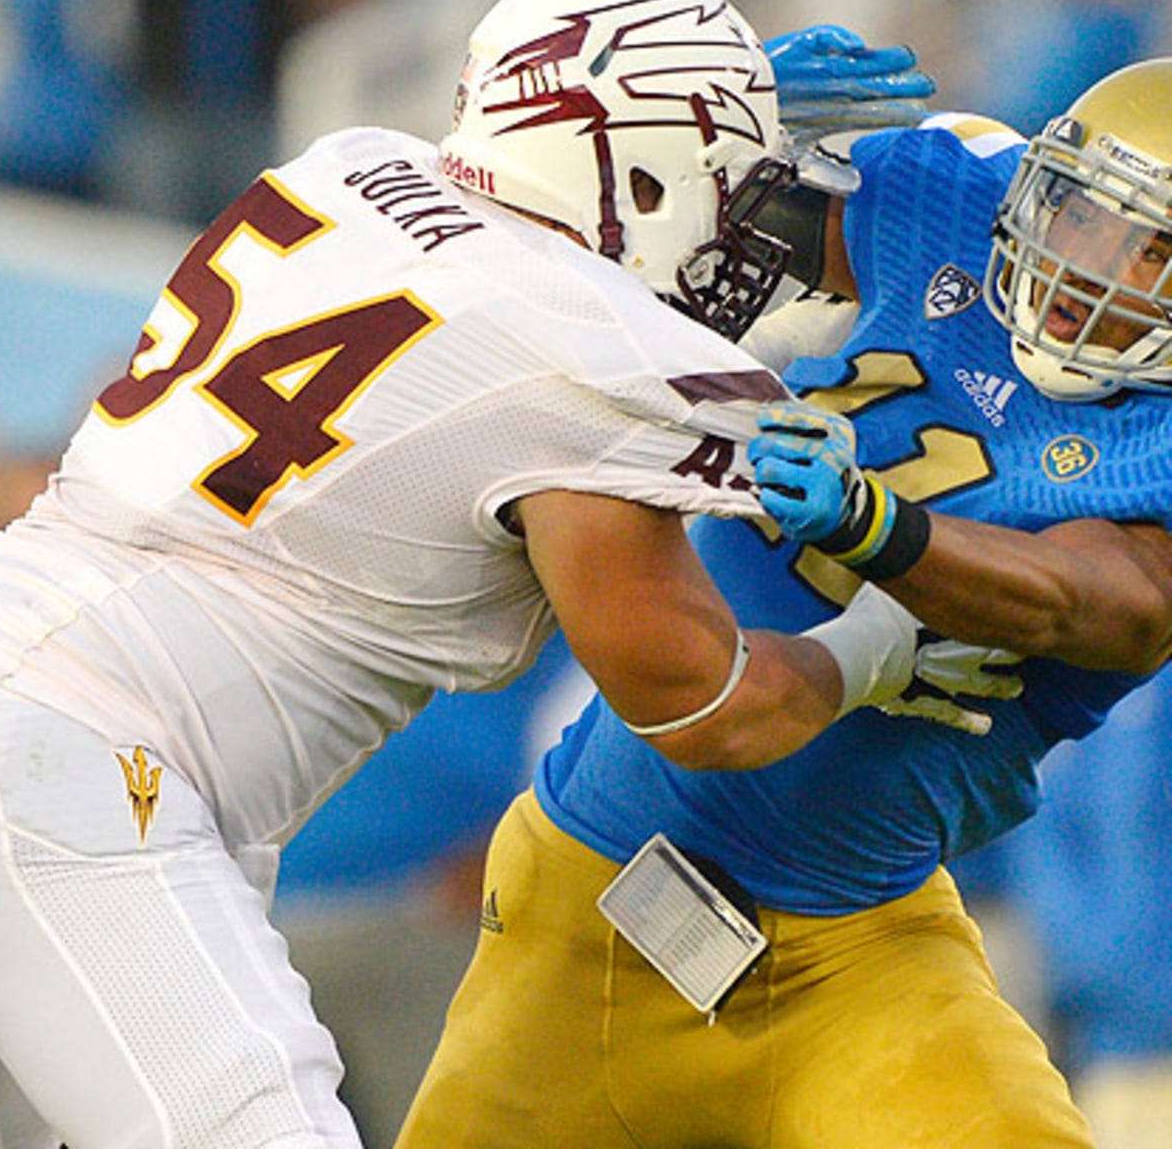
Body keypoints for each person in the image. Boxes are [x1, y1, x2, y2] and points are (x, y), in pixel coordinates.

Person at [0, 0, 951, 1148]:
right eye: (722, 179)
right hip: (76, 762)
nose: (740, 216)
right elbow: (706, 707)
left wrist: (692, 108)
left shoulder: (351, 167)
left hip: (35, 676)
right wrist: (876, 647)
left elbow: (527, 170)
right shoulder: (593, 356)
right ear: (630, 173)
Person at [393, 57, 1172, 1148]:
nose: (1095, 267)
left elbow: (1085, 602)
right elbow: (590, 220)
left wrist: (871, 525)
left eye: (1153, 254)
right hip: (598, 884)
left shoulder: (1153, 461)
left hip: (858, 944)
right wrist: (717, 114)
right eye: (1086, 219)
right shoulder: (952, 191)